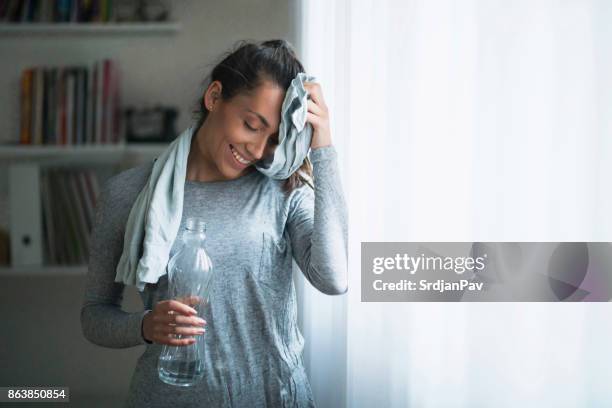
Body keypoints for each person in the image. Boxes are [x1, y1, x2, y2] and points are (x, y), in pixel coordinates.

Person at [80, 39, 348, 407]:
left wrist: (324, 147)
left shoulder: (283, 189)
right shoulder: (128, 193)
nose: (257, 150)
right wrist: (144, 326)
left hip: (274, 398)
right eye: (251, 125)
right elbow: (95, 314)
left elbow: (334, 278)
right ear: (214, 96)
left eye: (274, 138)